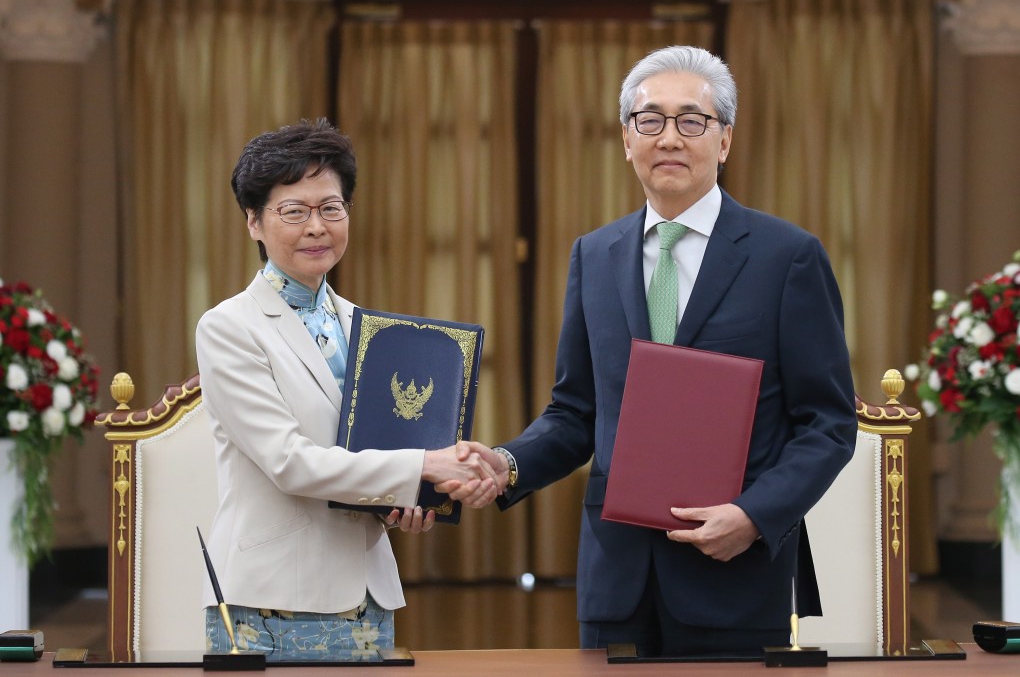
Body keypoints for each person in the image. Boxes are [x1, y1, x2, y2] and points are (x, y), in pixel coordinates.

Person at [484, 45, 857, 656]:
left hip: (735, 577)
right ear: (627, 140)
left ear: (725, 140)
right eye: (650, 120)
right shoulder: (595, 256)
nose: (670, 138)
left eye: (692, 121)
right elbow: (576, 413)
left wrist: (755, 516)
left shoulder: (786, 257)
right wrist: (508, 464)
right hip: (616, 584)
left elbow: (828, 423)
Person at [195, 118, 499, 660]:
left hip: (366, 595)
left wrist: (403, 504)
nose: (316, 226)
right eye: (294, 211)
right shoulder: (229, 327)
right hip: (270, 600)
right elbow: (288, 461)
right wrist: (421, 467)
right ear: (254, 222)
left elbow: (370, 453)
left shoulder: (368, 329)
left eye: (330, 208)